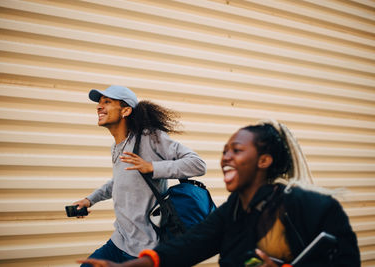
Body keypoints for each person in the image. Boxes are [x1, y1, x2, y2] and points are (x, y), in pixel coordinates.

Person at [78, 119, 360, 267]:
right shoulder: (233, 211)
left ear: (264, 161)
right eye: (225, 151)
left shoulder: (317, 209)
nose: (226, 158)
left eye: (237, 151)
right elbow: (186, 247)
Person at [73, 85, 207, 265]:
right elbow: (119, 181)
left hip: (145, 247)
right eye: (99, 103)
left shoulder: (150, 138)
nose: (99, 106)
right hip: (120, 240)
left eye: (107, 102)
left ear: (126, 110)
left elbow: (197, 164)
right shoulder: (117, 146)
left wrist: (152, 167)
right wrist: (90, 200)